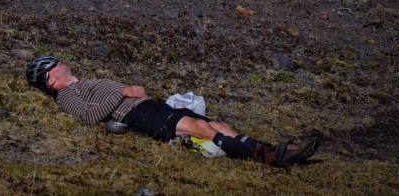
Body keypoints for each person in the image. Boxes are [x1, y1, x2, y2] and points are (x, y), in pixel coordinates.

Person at [26, 55, 320, 167]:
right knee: (202, 130)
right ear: (51, 80)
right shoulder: (66, 97)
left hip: (149, 107)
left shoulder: (85, 81)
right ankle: (269, 157)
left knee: (219, 124)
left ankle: (269, 149)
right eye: (55, 65)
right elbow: (90, 116)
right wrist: (122, 91)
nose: (61, 63)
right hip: (137, 116)